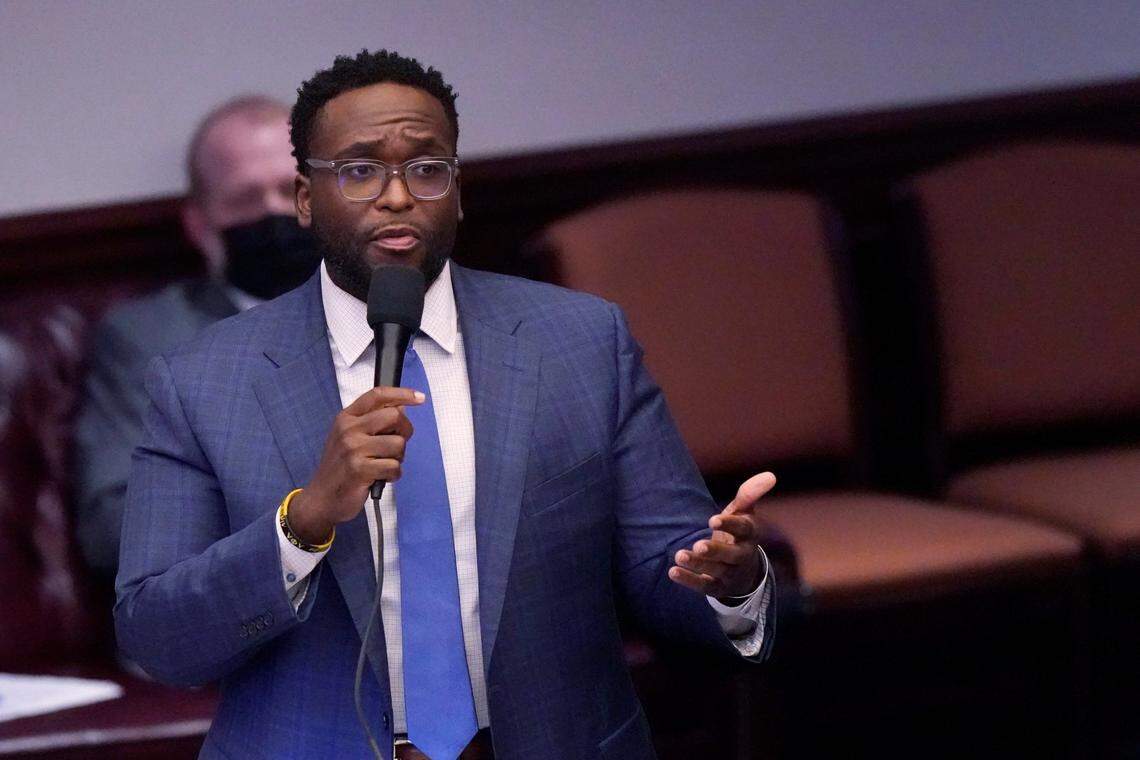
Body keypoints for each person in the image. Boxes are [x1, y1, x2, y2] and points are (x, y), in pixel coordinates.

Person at [115, 50, 778, 759]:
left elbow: (668, 564)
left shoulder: (581, 344)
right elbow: (159, 636)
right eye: (361, 169)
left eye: (427, 169)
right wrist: (303, 520)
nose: (398, 196)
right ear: (306, 197)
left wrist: (731, 583)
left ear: (458, 192)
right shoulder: (204, 379)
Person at [74, 95, 321, 580]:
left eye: (291, 189)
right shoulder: (149, 337)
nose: (274, 212)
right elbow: (111, 526)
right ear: (199, 224)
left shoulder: (385, 309)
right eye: (245, 199)